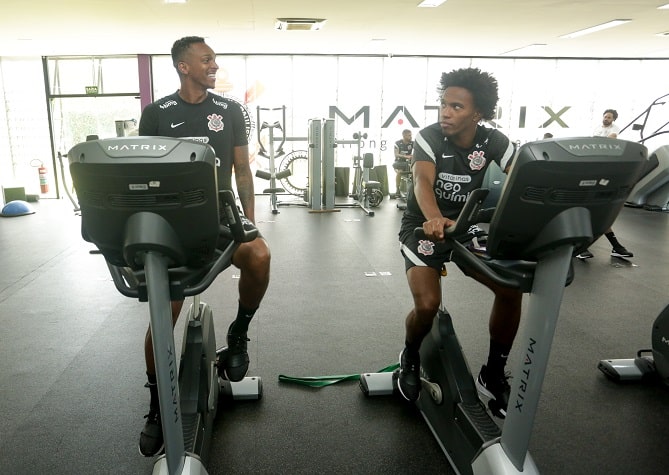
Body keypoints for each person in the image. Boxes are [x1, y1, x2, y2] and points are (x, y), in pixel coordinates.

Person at [136, 36, 271, 457]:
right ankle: (158, 404)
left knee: (260, 256)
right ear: (183, 66)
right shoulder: (157, 113)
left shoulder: (231, 110)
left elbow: (244, 171)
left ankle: (240, 332)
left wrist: (249, 220)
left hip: (220, 218)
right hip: (172, 225)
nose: (214, 65)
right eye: (206, 59)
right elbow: (142, 174)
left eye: (214, 59)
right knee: (164, 316)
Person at [397, 67, 520, 418]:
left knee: (510, 290)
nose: (445, 113)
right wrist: (433, 217)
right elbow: (422, 181)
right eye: (443, 104)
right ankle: (410, 354)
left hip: (465, 228)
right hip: (423, 226)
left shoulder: (495, 141)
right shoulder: (429, 136)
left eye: (456, 107)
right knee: (428, 306)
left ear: (477, 113)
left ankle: (493, 373)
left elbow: (523, 177)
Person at [576, 109, 633, 259]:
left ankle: (615, 247)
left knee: (599, 215)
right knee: (585, 214)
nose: (606, 118)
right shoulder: (597, 129)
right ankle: (580, 247)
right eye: (605, 116)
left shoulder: (614, 130)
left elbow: (610, 139)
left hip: (597, 179)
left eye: (609, 117)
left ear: (613, 119)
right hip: (587, 181)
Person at [392, 129, 414, 198]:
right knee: (400, 172)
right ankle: (397, 189)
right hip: (399, 162)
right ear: (404, 135)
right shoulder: (397, 143)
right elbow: (396, 154)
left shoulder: (413, 143)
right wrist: (406, 156)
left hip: (409, 162)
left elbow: (417, 152)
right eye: (409, 135)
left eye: (411, 135)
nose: (411, 137)